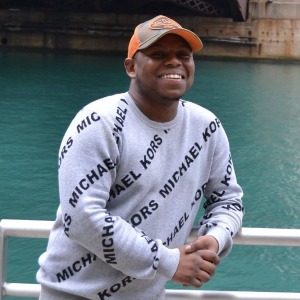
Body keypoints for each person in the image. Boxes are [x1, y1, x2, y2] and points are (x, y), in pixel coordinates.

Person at [36, 15, 244, 300]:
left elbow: (228, 200)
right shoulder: (99, 122)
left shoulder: (207, 127)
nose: (174, 63)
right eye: (158, 54)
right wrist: (169, 262)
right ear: (131, 67)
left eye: (184, 55)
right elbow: (83, 218)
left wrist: (215, 238)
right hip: (73, 294)